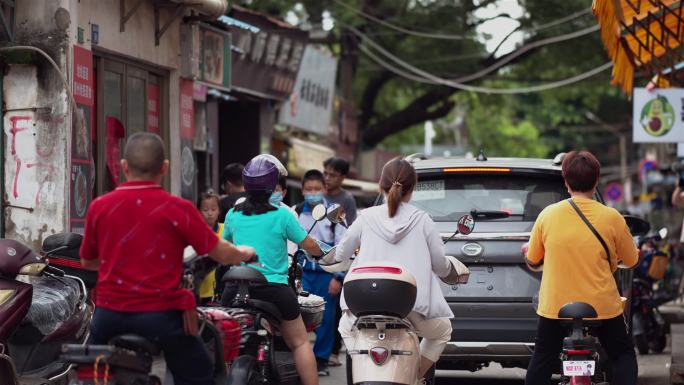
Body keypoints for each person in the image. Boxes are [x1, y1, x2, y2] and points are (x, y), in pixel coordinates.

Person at [80, 133, 256, 385]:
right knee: (200, 371)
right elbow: (220, 252)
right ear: (164, 167)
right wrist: (245, 253)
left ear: (124, 167)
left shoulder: (100, 206)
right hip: (160, 317)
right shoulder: (178, 208)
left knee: (93, 375)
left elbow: (88, 262)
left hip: (109, 316)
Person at [523, 151, 639, 385]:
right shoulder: (612, 217)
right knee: (623, 354)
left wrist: (528, 253)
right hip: (603, 306)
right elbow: (632, 260)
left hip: (556, 308)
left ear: (566, 182)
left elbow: (534, 260)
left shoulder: (548, 215)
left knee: (543, 357)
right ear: (597, 181)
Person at [334, 158, 454, 381]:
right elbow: (440, 265)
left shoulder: (365, 218)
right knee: (442, 332)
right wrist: (450, 269)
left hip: (364, 305)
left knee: (344, 327)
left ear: (381, 185)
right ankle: (415, 376)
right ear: (413, 188)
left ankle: (364, 369)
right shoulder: (423, 220)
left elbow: (340, 255)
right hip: (411, 306)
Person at [221, 155, 324, 385]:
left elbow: (222, 246)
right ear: (272, 185)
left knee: (225, 344)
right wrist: (320, 253)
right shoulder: (283, 214)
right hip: (275, 291)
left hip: (235, 289)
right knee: (299, 343)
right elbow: (308, 245)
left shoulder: (233, 215)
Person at [295, 169, 347, 376]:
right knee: (299, 316)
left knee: (325, 317)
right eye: (309, 189)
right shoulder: (295, 212)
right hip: (303, 273)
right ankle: (300, 357)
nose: (313, 192)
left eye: (317, 188)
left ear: (325, 189)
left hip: (327, 273)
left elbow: (344, 244)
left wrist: (338, 277)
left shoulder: (336, 213)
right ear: (302, 190)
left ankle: (321, 360)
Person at [197, 192, 224, 304]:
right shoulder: (195, 231)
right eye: (205, 210)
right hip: (200, 288)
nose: (210, 213)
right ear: (198, 211)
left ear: (219, 211)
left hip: (220, 288)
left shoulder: (225, 229)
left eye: (213, 209)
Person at [323, 157, 357, 225]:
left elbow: (350, 227)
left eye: (332, 175)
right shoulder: (317, 194)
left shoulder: (347, 200)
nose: (327, 178)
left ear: (342, 177)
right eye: (325, 173)